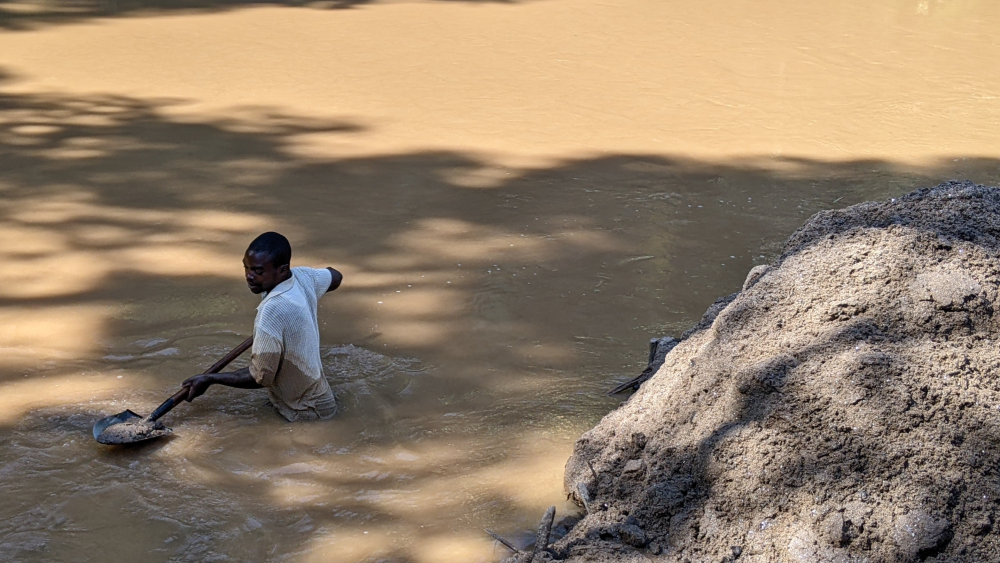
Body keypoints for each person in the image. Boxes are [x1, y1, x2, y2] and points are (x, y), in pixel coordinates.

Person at [181, 232, 343, 421]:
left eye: (258, 272)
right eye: (246, 268)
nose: (249, 276)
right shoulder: (303, 276)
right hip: (319, 399)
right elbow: (336, 276)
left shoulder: (272, 311)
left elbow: (260, 377)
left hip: (304, 411)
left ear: (282, 270)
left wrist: (209, 379)